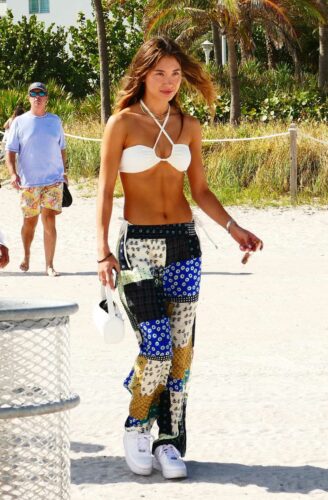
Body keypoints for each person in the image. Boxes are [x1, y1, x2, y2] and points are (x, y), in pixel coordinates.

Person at [97, 36, 263, 479]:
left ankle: (169, 441)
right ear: (143, 74)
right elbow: (105, 191)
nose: (169, 82)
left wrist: (234, 229)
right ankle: (136, 424)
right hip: (137, 246)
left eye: (175, 73)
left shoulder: (188, 124)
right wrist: (101, 252)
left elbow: (201, 190)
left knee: (182, 353)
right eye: (159, 73)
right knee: (156, 348)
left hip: (184, 245)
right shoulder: (123, 123)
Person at [5, 82, 67, 277]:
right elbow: (10, 151)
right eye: (33, 93)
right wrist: (13, 174)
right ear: (29, 97)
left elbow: (62, 148)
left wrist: (64, 172)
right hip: (29, 182)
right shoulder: (19, 122)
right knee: (29, 222)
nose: (37, 97)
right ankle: (26, 255)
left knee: (49, 220)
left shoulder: (55, 121)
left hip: (53, 180)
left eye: (41, 93)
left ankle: (49, 265)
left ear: (47, 98)